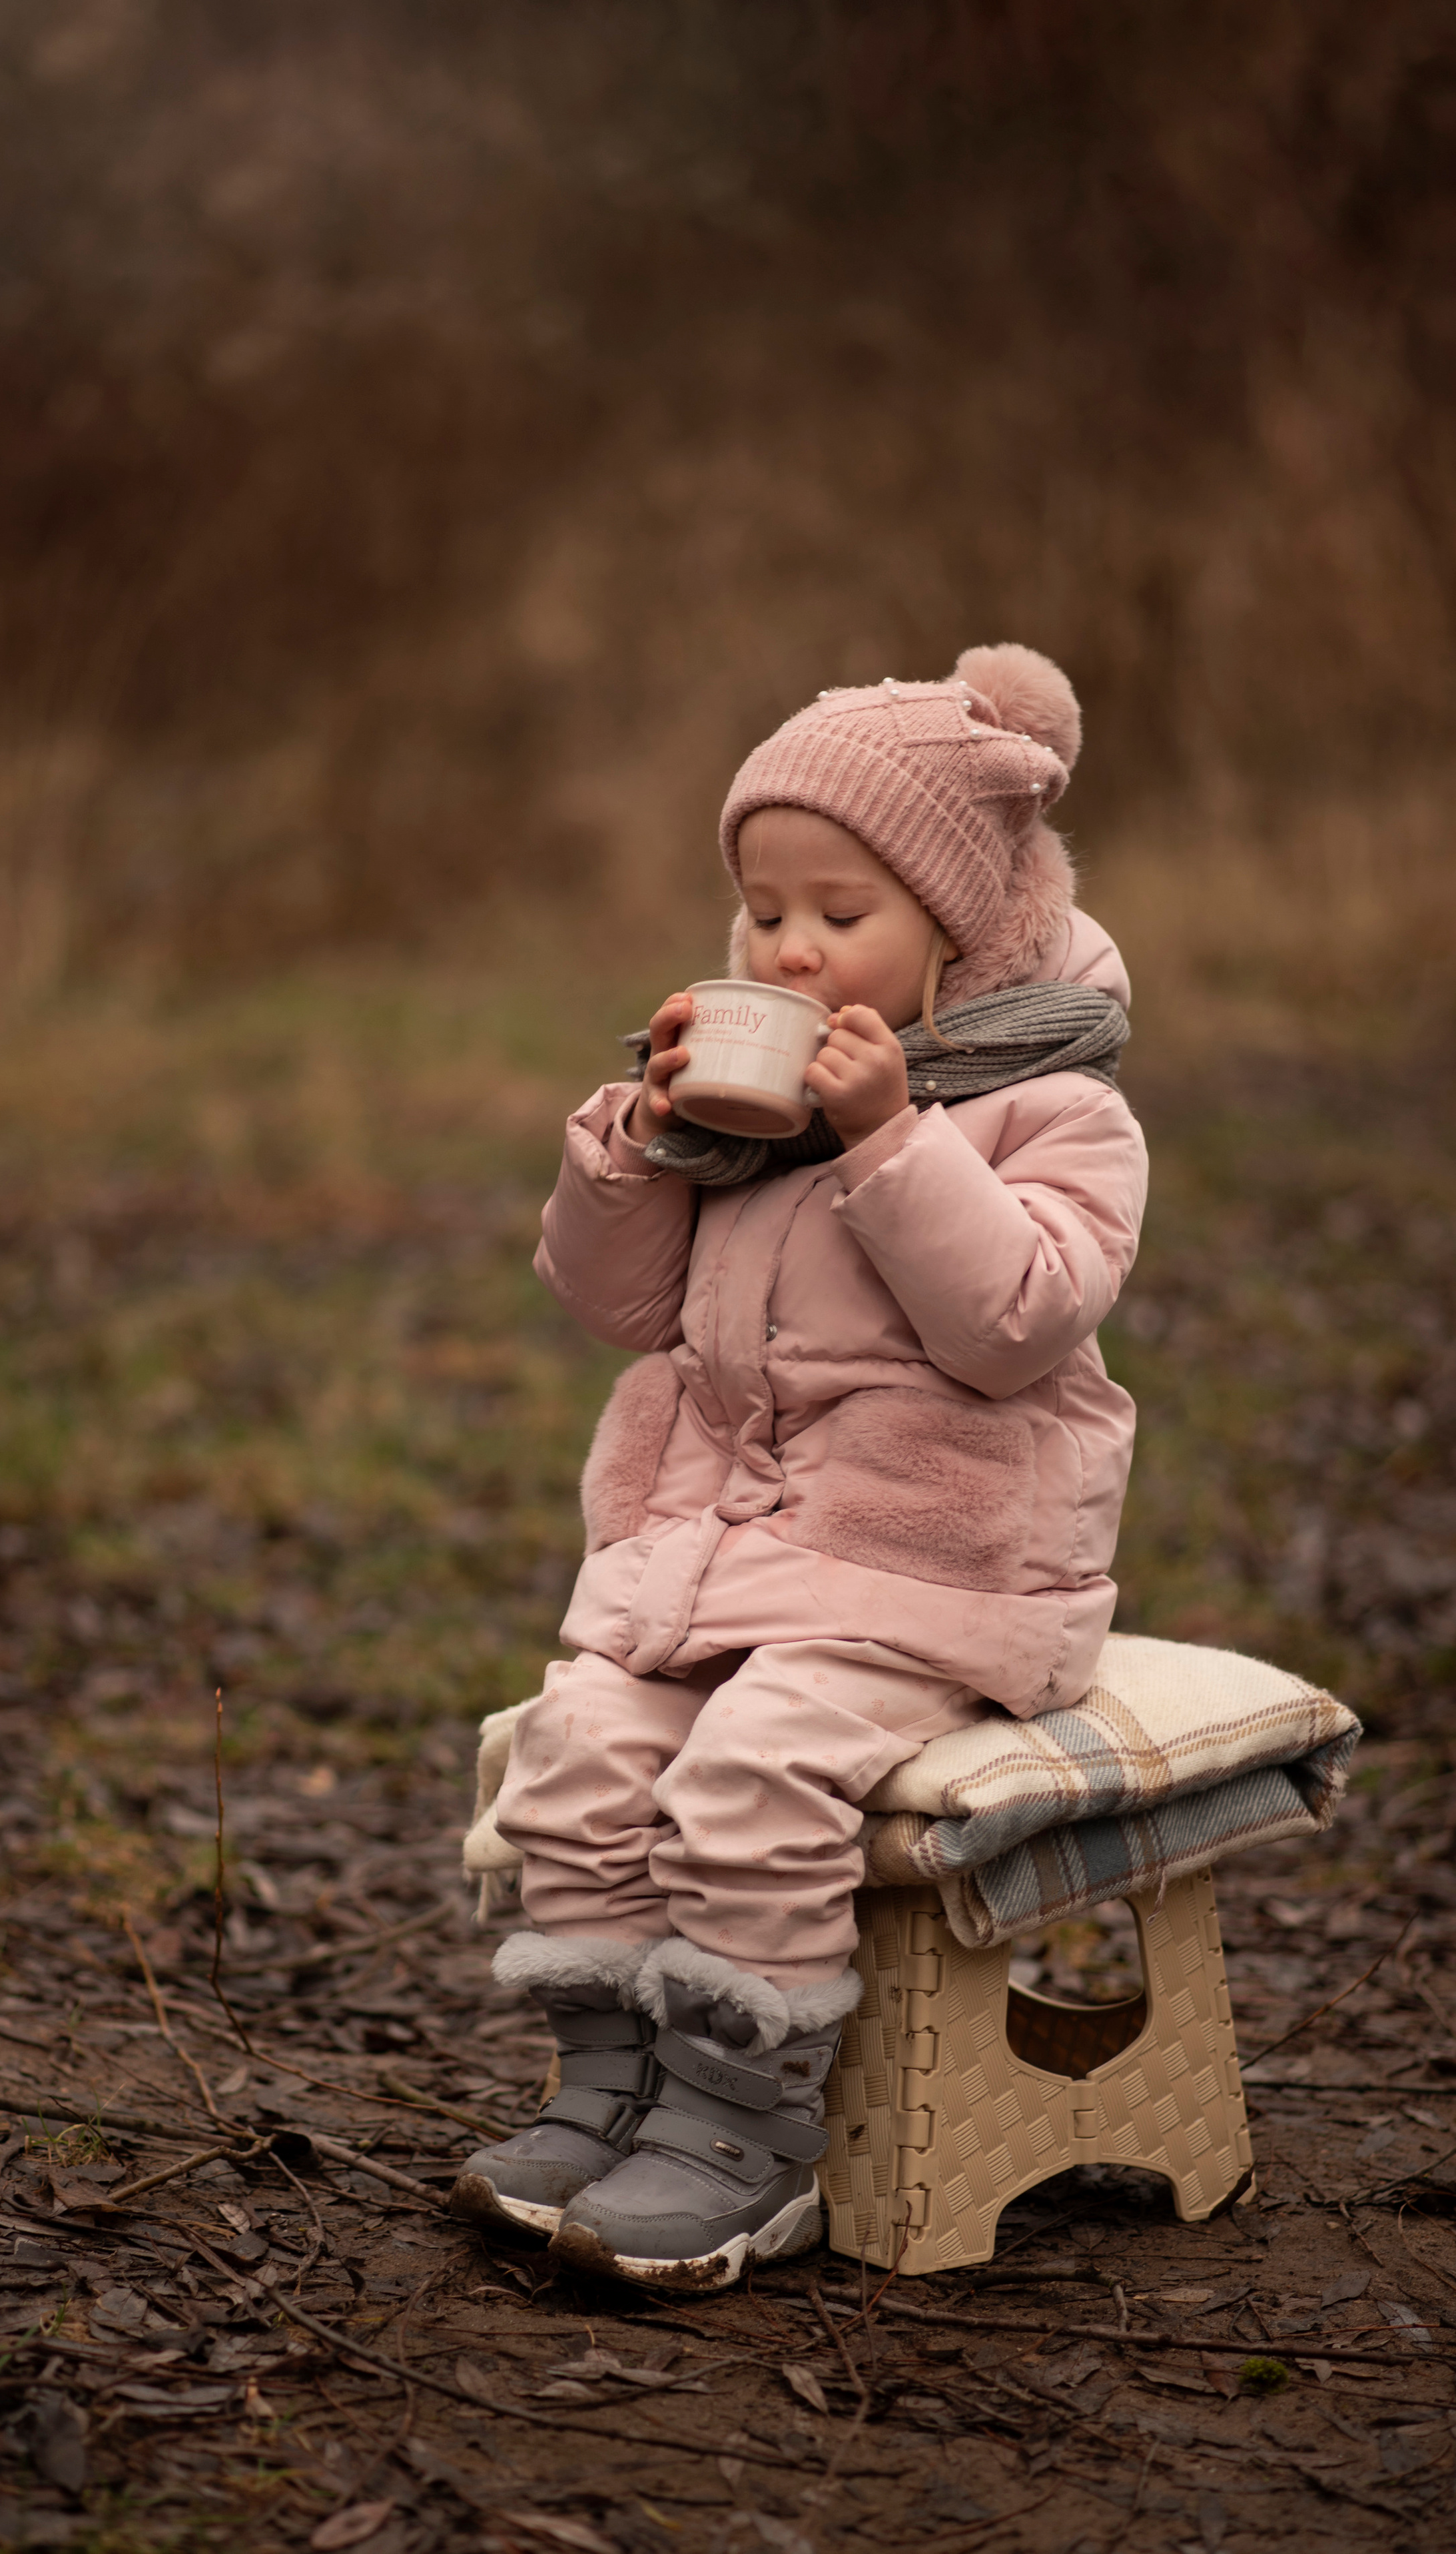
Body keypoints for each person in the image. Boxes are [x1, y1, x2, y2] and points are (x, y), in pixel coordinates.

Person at [452, 645, 1148, 2291]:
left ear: (958, 929)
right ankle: (606, 2085)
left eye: (839, 911)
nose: (789, 947)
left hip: (941, 1569)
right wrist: (634, 1140)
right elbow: (618, 1308)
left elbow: (1014, 1324)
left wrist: (894, 1142)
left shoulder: (1054, 1107)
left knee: (751, 1775)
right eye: (764, 911)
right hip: (737, 1560)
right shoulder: (737, 1126)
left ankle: (737, 2134)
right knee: (580, 1748)